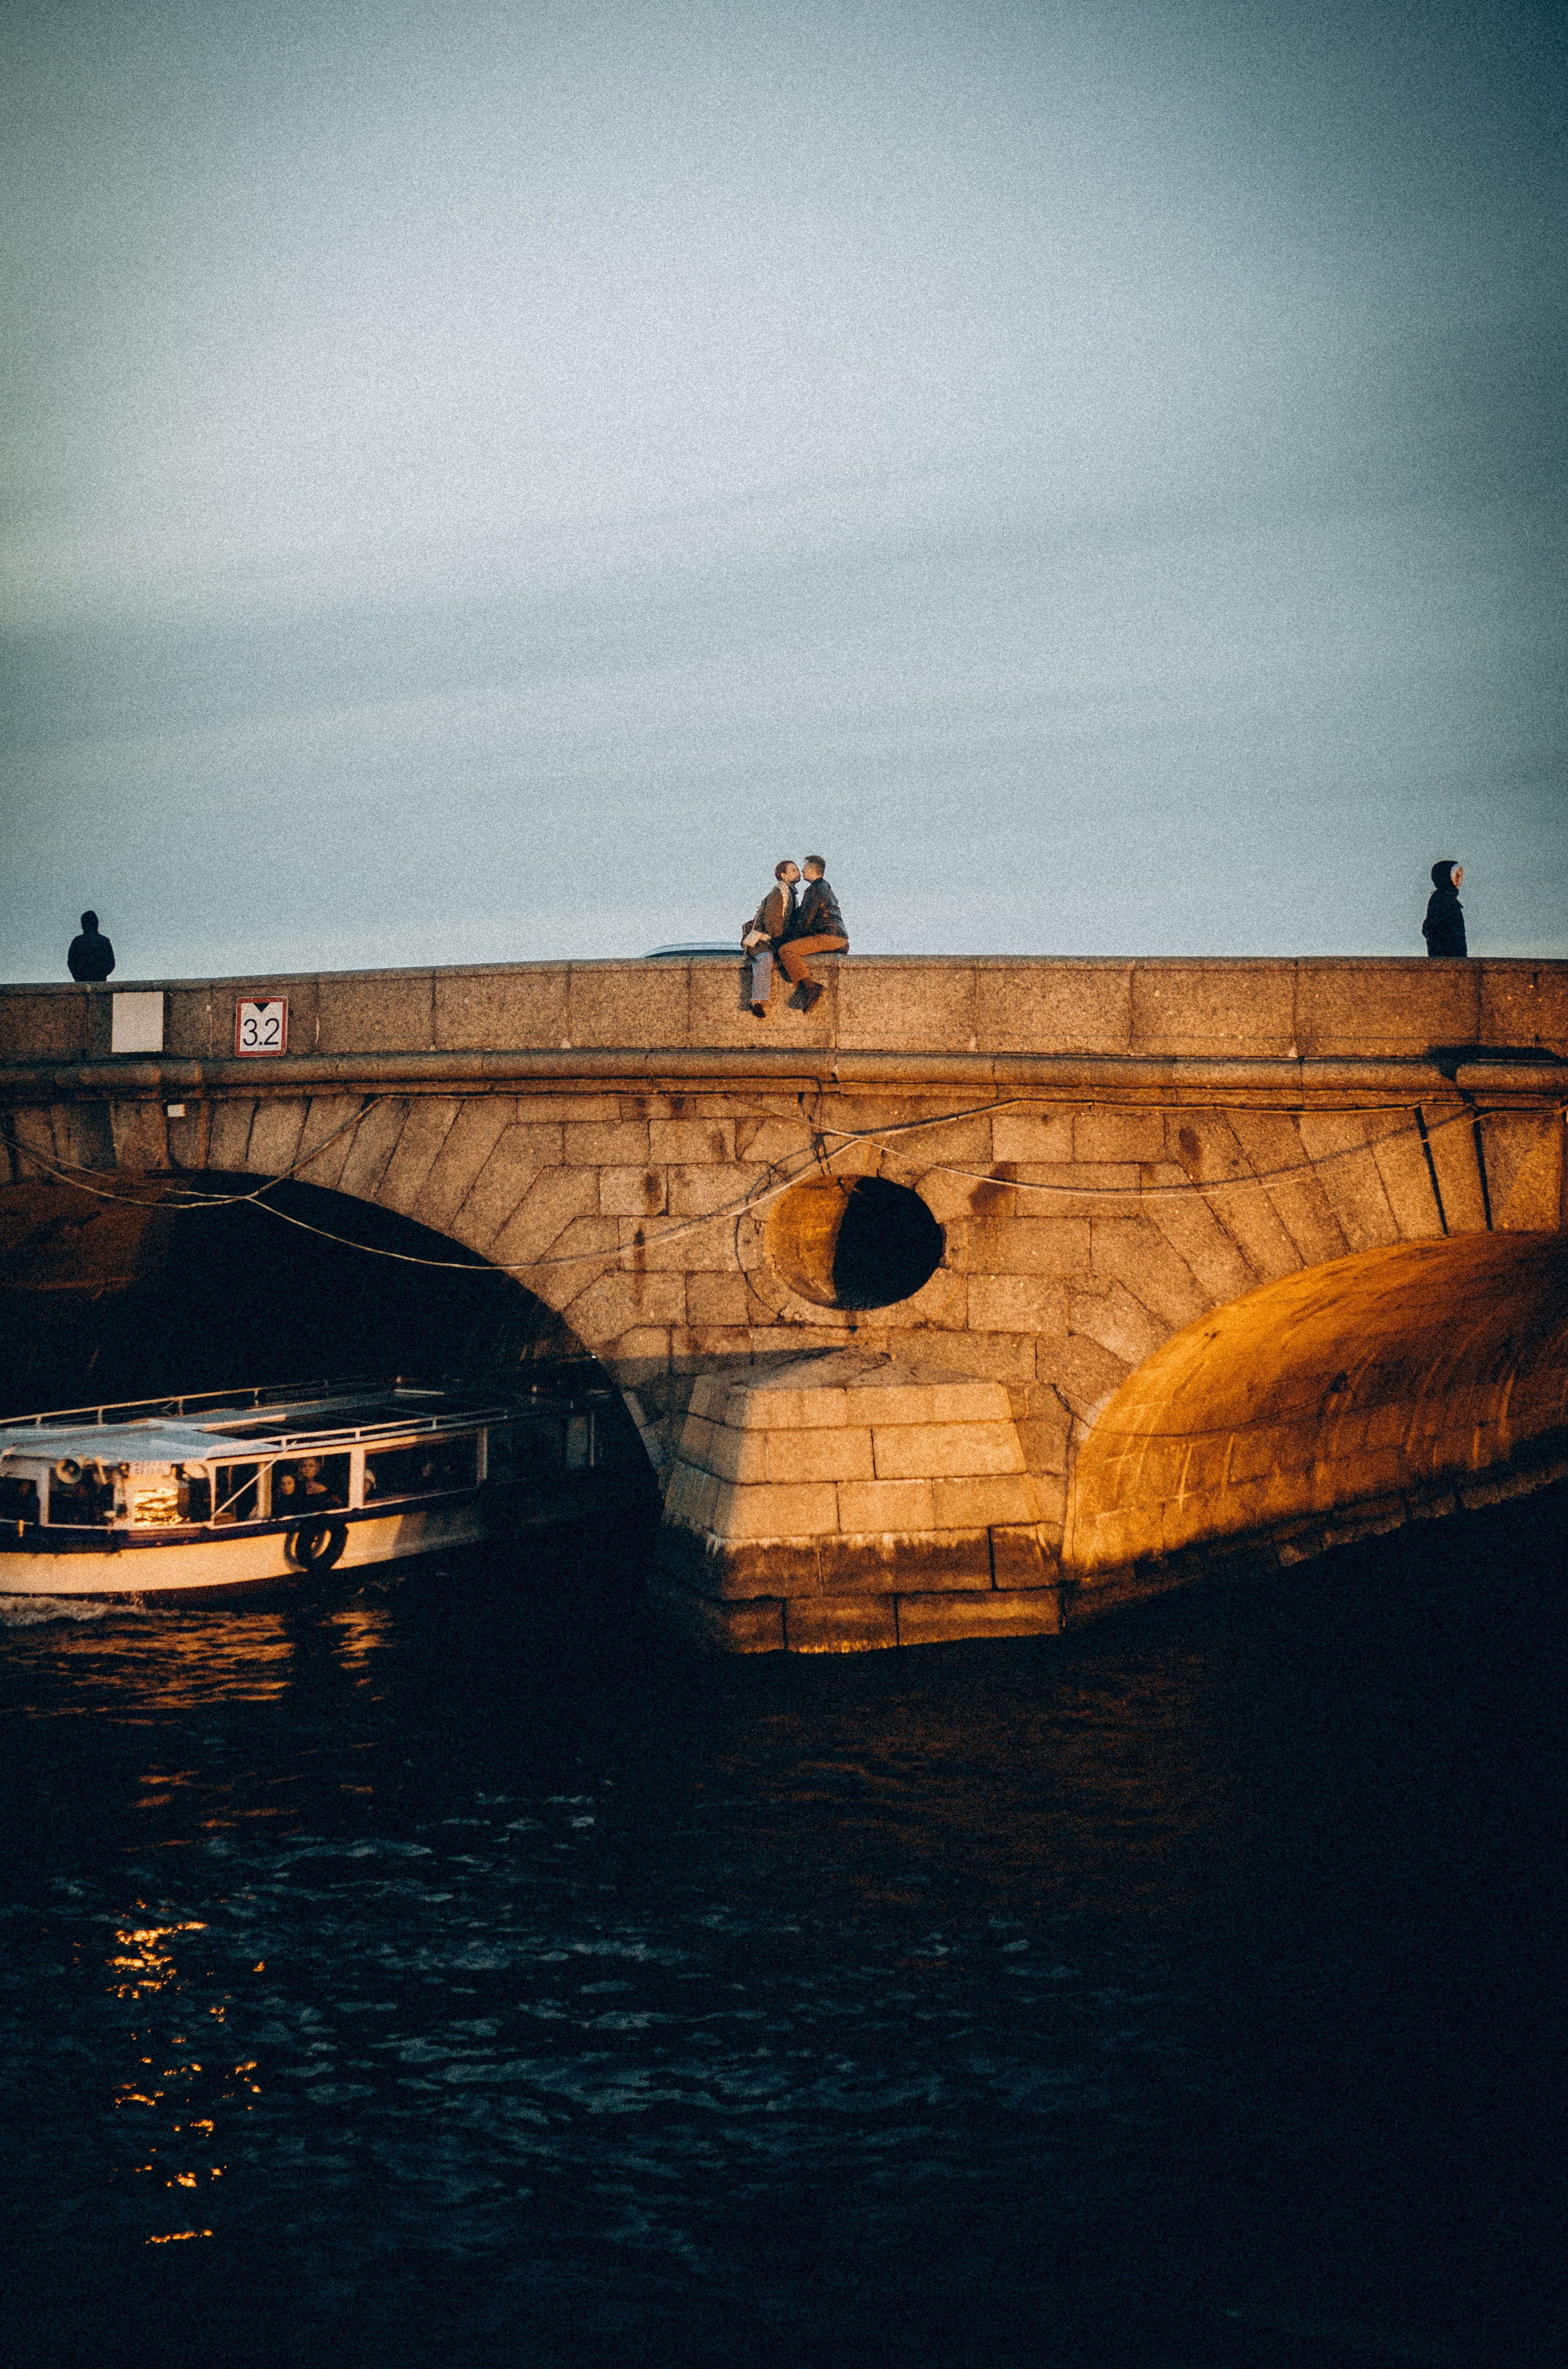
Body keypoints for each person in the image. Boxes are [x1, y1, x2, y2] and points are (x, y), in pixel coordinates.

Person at [778, 855, 849, 1011]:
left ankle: (811, 988)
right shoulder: (825, 887)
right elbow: (803, 913)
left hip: (830, 937)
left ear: (811, 870)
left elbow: (806, 920)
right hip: (839, 938)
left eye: (804, 868)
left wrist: (788, 940)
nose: (802, 871)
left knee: (787, 950)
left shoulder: (815, 889)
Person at [741, 860, 799, 1018]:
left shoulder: (790, 893)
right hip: (761, 939)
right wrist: (782, 939)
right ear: (784, 875)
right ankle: (757, 1002)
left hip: (773, 939)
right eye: (793, 870)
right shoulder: (779, 893)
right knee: (765, 958)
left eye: (798, 869)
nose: (798, 872)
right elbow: (773, 923)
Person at [1422, 861, 1468, 957]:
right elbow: (1433, 929)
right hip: (1446, 956)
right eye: (1456, 875)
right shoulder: (1441, 898)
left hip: (1454, 957)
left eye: (1460, 875)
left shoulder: (1448, 898)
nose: (1459, 879)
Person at [67, 911, 115, 982]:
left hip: (85, 982)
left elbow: (71, 962)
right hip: (97, 983)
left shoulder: (77, 941)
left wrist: (78, 976)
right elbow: (110, 963)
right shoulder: (104, 941)